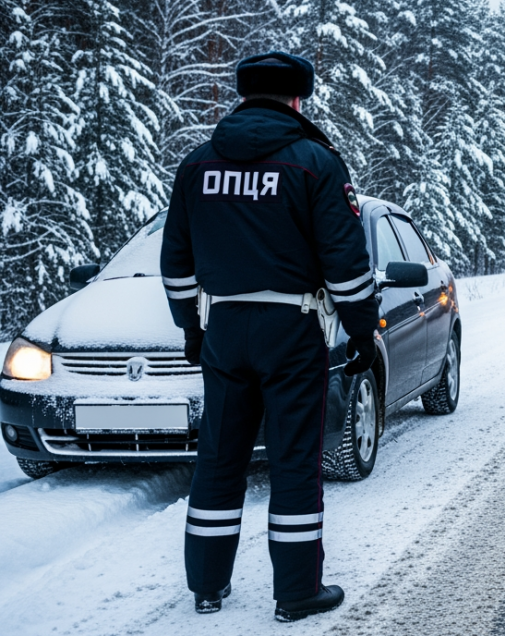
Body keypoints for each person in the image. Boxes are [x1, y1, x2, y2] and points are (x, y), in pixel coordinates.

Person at [160, 52, 379, 622]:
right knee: (293, 459)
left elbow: (176, 263)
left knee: (220, 457)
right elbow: (346, 264)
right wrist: (361, 330)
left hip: (224, 327)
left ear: (244, 96)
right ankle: (297, 593)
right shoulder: (315, 163)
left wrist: (191, 327)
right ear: (297, 101)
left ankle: (207, 587)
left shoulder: (197, 164)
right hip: (292, 327)